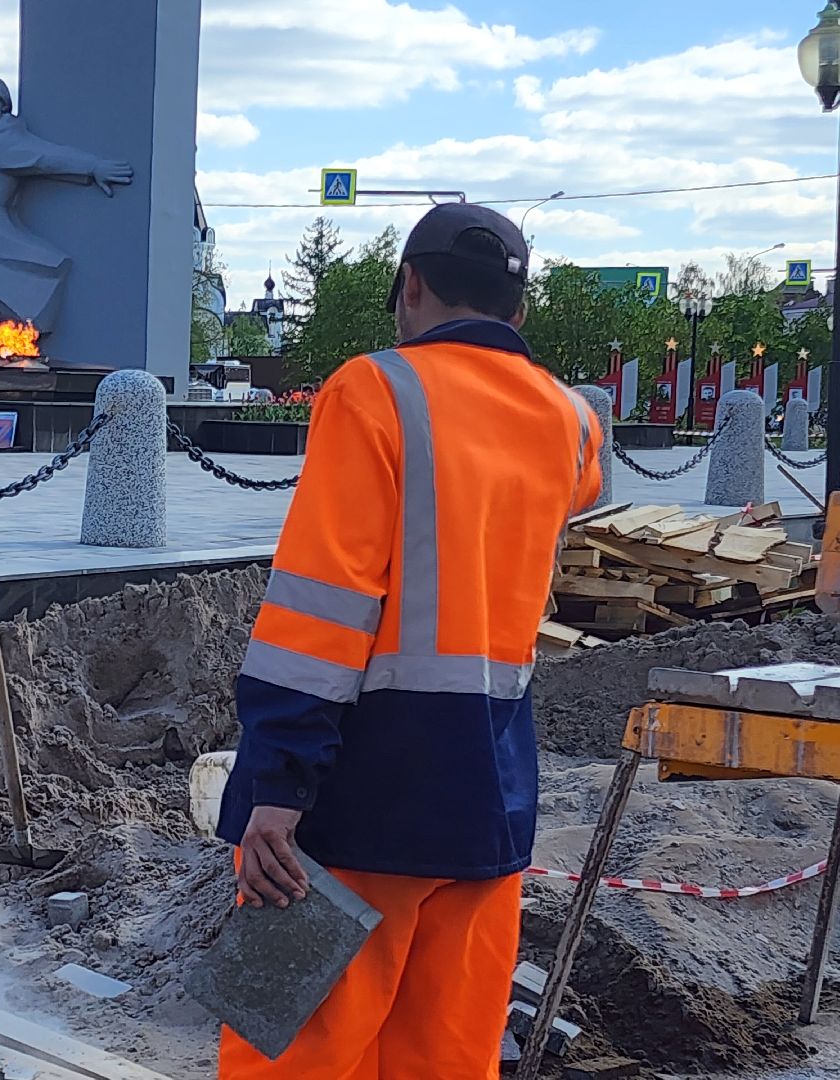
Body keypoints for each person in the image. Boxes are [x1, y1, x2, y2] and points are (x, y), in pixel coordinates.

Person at [216, 203, 602, 1079]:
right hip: (489, 810)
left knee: (282, 1052)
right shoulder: (570, 421)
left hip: (352, 808)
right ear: (522, 310)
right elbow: (576, 482)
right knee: (446, 1058)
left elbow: (319, 614)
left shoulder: (373, 389)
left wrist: (276, 783)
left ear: (411, 285)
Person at [0, 76, 133, 361]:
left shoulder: (7, 141)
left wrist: (93, 167)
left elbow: (48, 158)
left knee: (15, 289)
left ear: (3, 105)